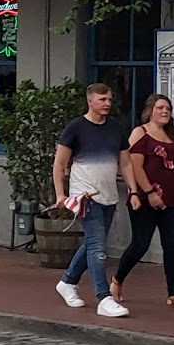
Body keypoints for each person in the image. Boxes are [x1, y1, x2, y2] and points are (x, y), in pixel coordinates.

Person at [112, 93, 174, 313]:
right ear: (150, 110)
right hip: (144, 199)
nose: (165, 111)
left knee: (172, 247)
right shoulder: (141, 133)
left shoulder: (172, 136)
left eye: (168, 108)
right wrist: (149, 192)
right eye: (160, 107)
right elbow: (134, 165)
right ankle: (117, 279)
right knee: (141, 244)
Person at [53, 81, 129, 318]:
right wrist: (61, 195)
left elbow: (125, 163)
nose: (107, 103)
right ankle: (104, 298)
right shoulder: (75, 127)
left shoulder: (116, 128)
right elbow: (59, 164)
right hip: (85, 195)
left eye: (109, 99)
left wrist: (134, 190)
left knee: (92, 243)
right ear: (90, 101)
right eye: (102, 99)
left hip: (109, 195)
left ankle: (67, 282)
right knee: (97, 247)